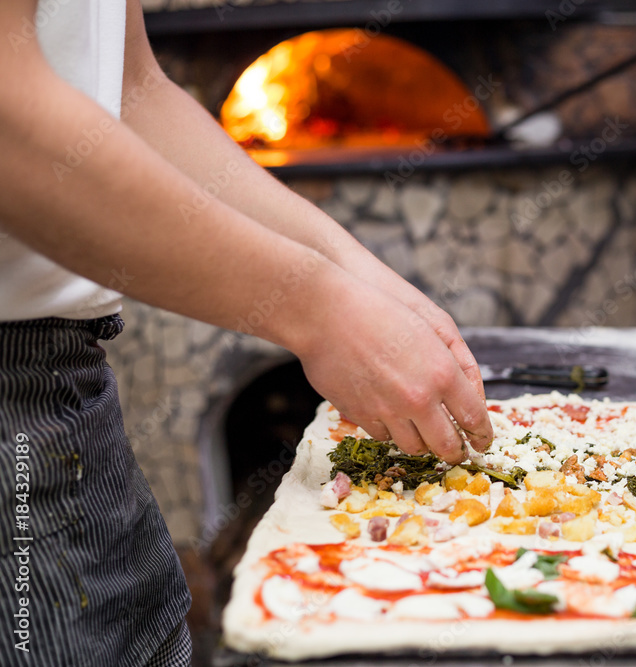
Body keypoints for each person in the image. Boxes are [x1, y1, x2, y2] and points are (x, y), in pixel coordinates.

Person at [0, 0, 494, 664]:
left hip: (70, 386)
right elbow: (10, 119)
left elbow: (130, 91)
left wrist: (356, 275)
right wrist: (319, 310)